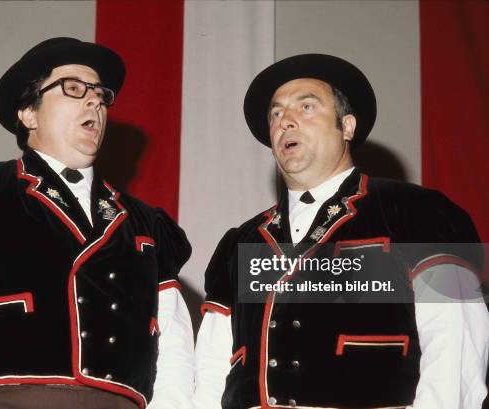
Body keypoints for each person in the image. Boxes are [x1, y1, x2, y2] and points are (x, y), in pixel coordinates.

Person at [0, 37, 194, 409]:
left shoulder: (147, 224)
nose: (95, 100)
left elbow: (176, 354)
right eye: (73, 88)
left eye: (101, 93)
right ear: (28, 114)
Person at [193, 54, 488, 409]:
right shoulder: (241, 243)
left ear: (347, 127)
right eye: (276, 113)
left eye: (305, 107)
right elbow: (210, 371)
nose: (285, 121)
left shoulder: (414, 211)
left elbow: (454, 344)